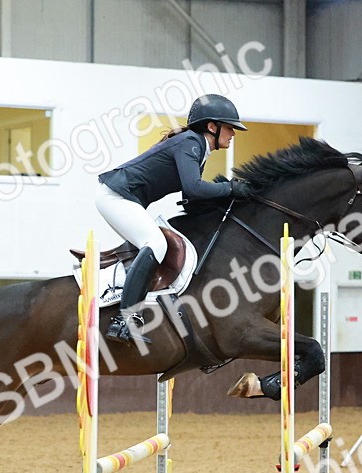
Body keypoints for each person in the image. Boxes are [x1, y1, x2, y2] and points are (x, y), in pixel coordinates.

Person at [96, 94, 253, 344]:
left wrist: (234, 199)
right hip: (115, 197)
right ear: (212, 127)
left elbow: (191, 200)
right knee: (156, 243)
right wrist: (230, 189)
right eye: (230, 127)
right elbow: (194, 189)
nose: (233, 133)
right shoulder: (191, 142)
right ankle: (123, 319)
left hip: (123, 198)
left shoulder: (199, 149)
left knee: (156, 242)